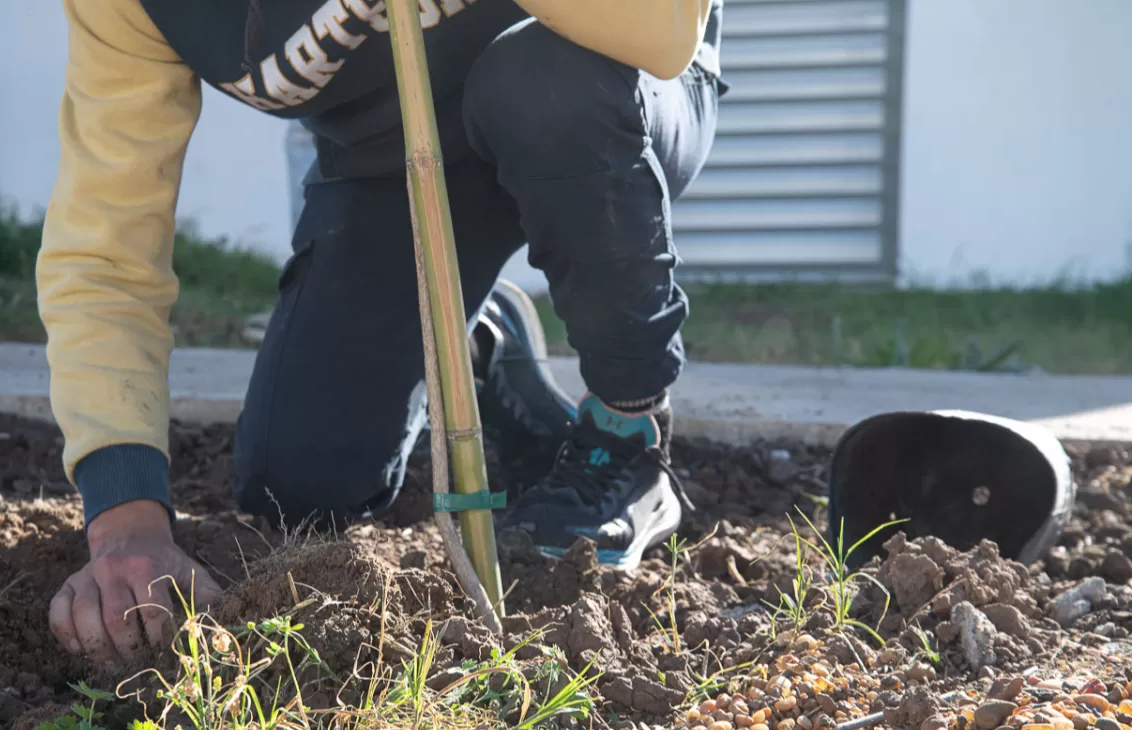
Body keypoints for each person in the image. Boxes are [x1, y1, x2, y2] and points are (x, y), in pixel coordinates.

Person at [39, 0, 726, 668]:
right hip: (396, 159)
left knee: (539, 85)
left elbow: (660, 29)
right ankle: (471, 343)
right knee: (299, 485)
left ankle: (626, 431)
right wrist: (124, 517)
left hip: (602, 84)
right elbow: (107, 248)